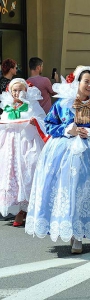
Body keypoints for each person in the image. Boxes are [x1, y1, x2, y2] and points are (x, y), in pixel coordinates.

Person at [25, 66, 90, 254]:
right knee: (70, 192)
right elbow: (50, 125)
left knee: (87, 193)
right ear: (77, 82)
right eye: (86, 81)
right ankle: (74, 234)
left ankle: (85, 229)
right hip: (65, 154)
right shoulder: (62, 104)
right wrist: (67, 130)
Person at [0, 78, 46, 226]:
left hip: (28, 143)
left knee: (28, 171)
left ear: (26, 91)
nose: (17, 93)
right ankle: (19, 208)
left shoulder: (32, 105)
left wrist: (35, 122)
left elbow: (42, 120)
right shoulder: (8, 106)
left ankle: (29, 209)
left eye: (20, 90)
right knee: (13, 174)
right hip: (11, 145)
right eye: (14, 90)